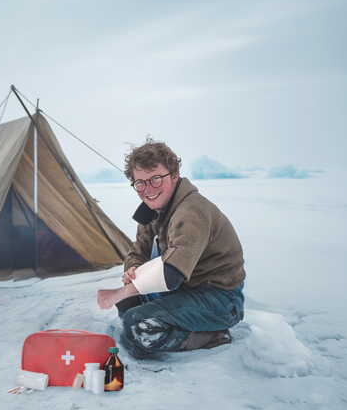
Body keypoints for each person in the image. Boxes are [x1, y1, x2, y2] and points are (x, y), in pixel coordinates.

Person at [97, 139, 245, 357]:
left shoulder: (191, 211)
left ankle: (212, 335)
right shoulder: (153, 209)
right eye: (140, 182)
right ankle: (180, 321)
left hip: (220, 299)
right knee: (128, 303)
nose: (148, 189)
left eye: (156, 179)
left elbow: (172, 274)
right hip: (187, 288)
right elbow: (138, 250)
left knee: (138, 324)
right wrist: (133, 270)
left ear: (174, 176)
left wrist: (122, 290)